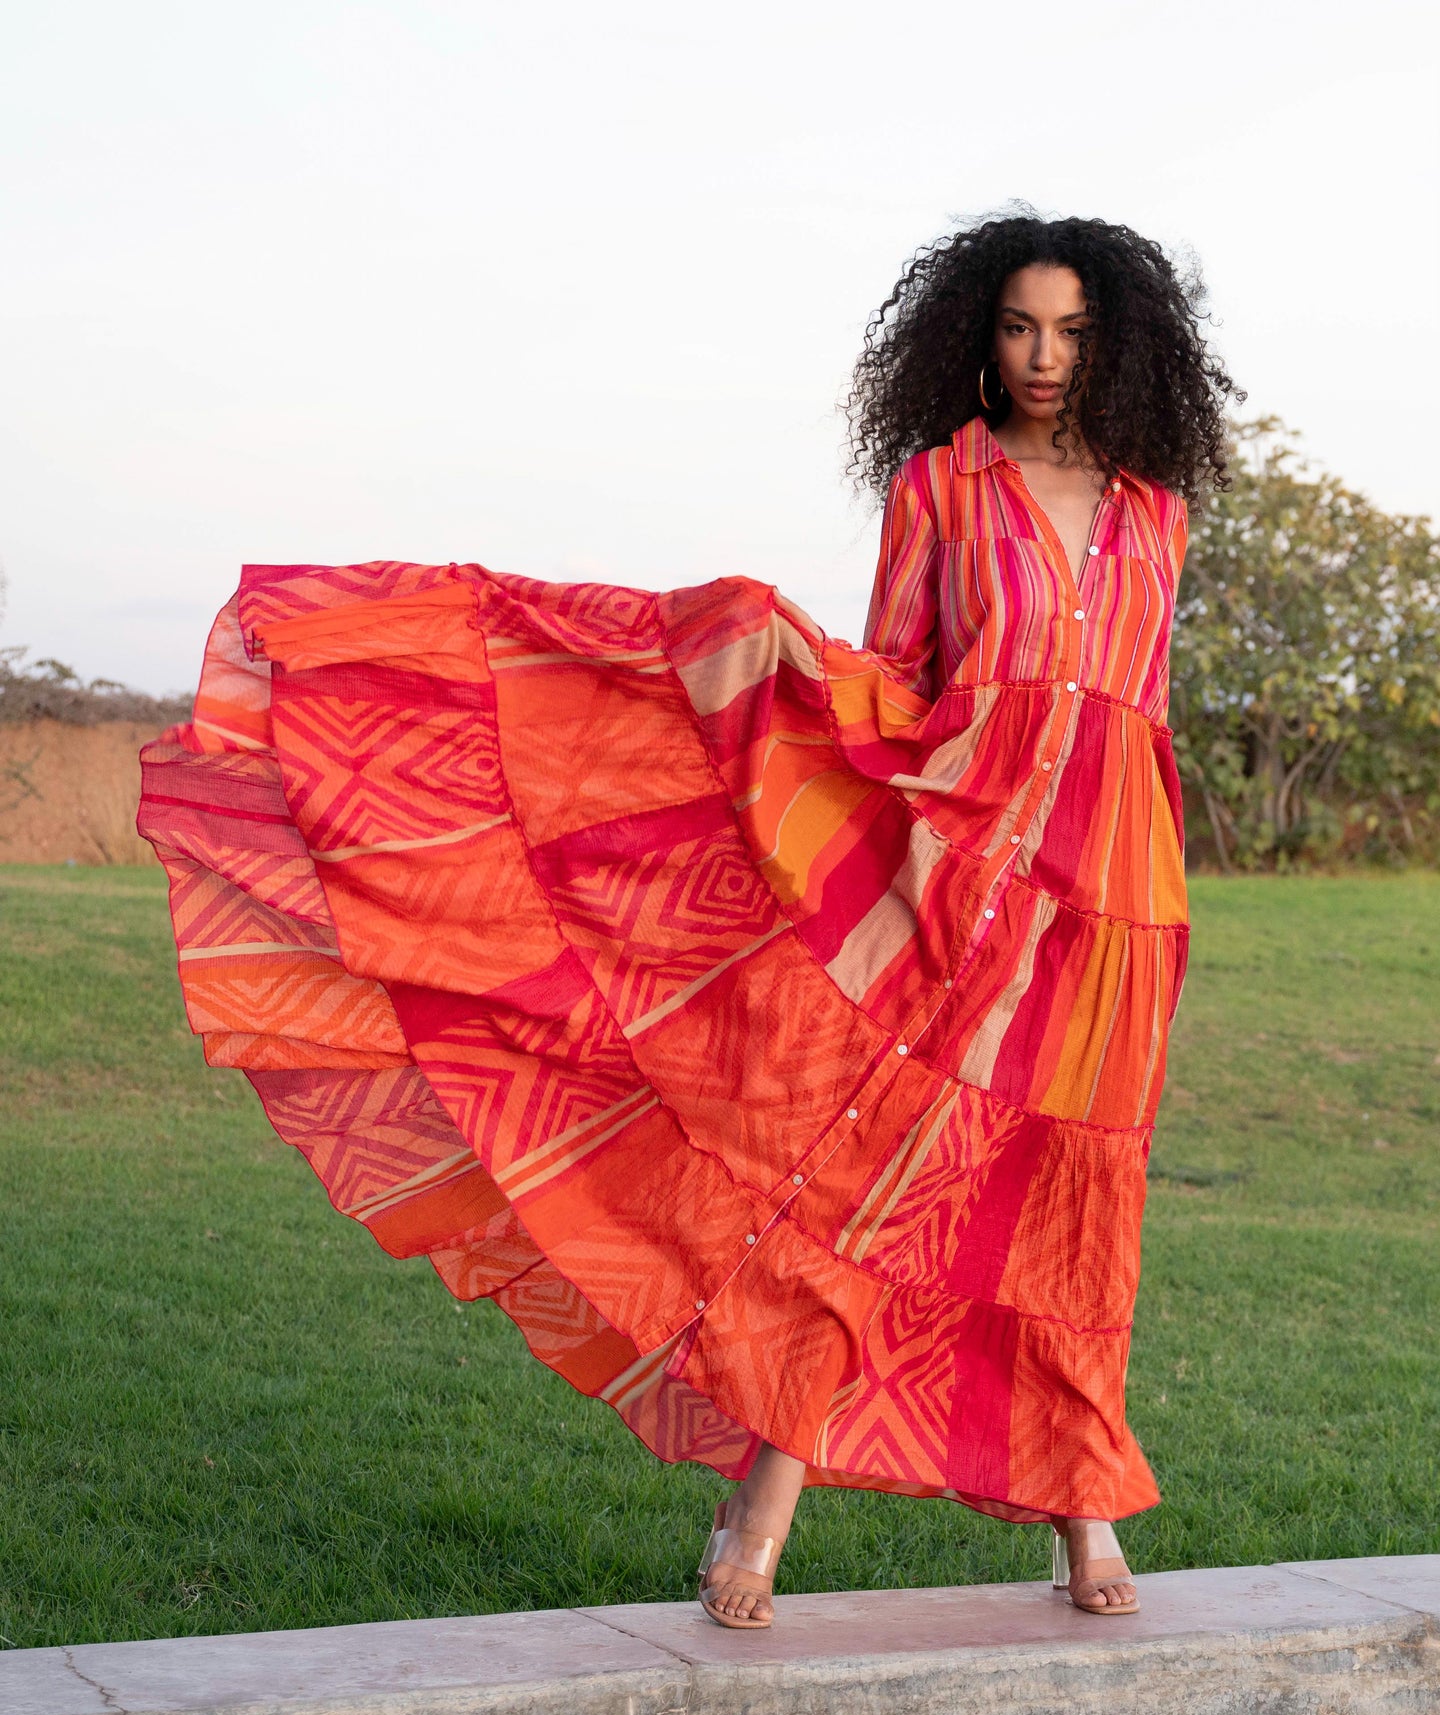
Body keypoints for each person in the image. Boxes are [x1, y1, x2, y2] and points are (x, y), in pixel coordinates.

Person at [138, 209, 1238, 1635]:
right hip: (965, 865)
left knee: (1073, 1191)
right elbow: (900, 677)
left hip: (1119, 891)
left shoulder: (1159, 509)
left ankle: (1083, 1506)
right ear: (979, 336)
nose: (1043, 356)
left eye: (1074, 332)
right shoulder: (941, 486)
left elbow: (1138, 710)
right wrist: (766, 660)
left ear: (1120, 345)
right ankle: (761, 1505)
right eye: (1020, 326)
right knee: (875, 1172)